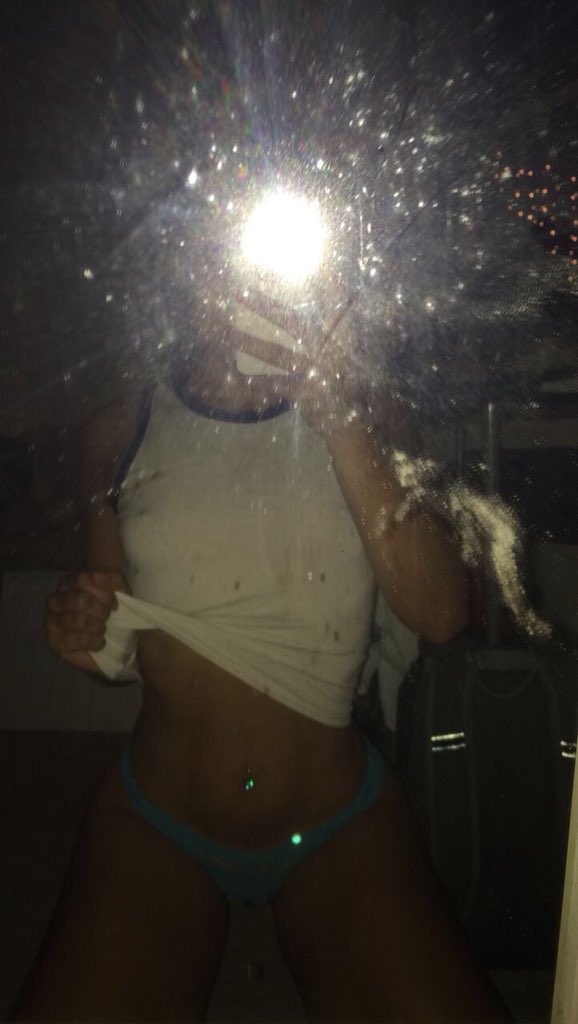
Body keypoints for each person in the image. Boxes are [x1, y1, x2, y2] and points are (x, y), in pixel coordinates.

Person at [11, 291, 512, 1023]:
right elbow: (117, 624)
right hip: (160, 813)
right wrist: (83, 628)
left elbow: (441, 613)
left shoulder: (369, 408)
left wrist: (341, 419)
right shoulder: (120, 425)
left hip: (336, 816)